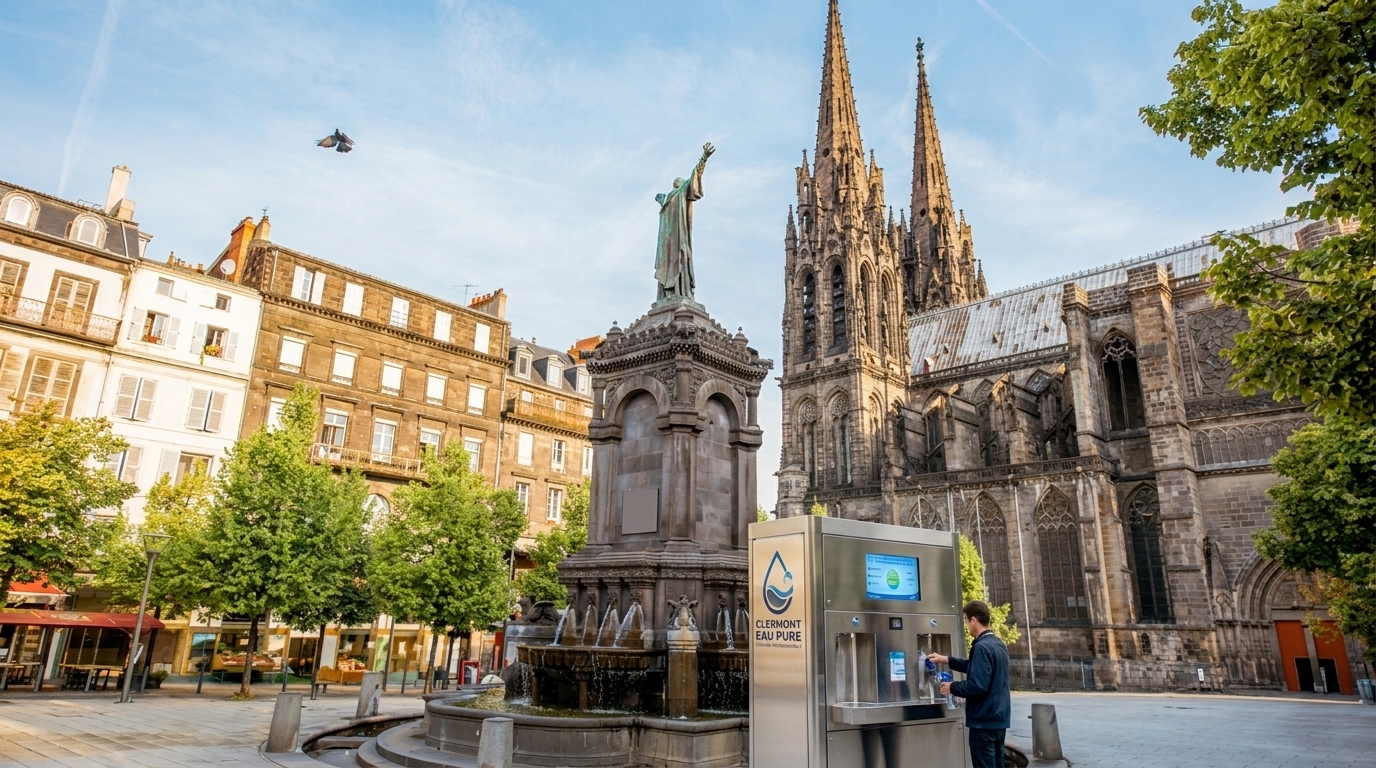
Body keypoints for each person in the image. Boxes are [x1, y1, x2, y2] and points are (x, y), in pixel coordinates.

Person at [927, 600, 1011, 768]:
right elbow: (977, 668)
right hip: (998, 720)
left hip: (983, 721)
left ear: (973, 620)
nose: (966, 625)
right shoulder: (998, 644)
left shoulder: (981, 647)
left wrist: (952, 687)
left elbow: (978, 685)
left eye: (965, 620)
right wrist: (947, 660)